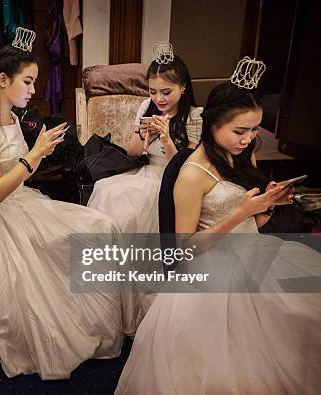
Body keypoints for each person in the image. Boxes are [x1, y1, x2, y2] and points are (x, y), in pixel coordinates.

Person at [115, 58, 321, 394]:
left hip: (252, 250)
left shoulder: (240, 154)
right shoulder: (192, 172)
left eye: (254, 129)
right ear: (211, 124)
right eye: (240, 131)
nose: (248, 139)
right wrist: (240, 213)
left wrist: (267, 205)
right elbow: (184, 247)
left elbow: (254, 220)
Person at [0, 27, 123, 380]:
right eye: (29, 82)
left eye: (35, 82)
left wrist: (41, 152)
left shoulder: (11, 119)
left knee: (102, 224)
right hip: (7, 213)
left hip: (27, 200)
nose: (34, 91)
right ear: (3, 80)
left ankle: (89, 317)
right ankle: (68, 323)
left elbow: (25, 173)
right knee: (88, 231)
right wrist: (35, 153)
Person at [88, 43, 203, 234]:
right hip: (146, 170)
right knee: (105, 189)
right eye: (152, 91)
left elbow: (185, 168)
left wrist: (166, 138)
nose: (159, 99)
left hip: (173, 178)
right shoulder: (146, 106)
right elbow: (132, 153)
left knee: (131, 207)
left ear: (183, 87)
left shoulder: (194, 116)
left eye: (166, 92)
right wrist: (142, 134)